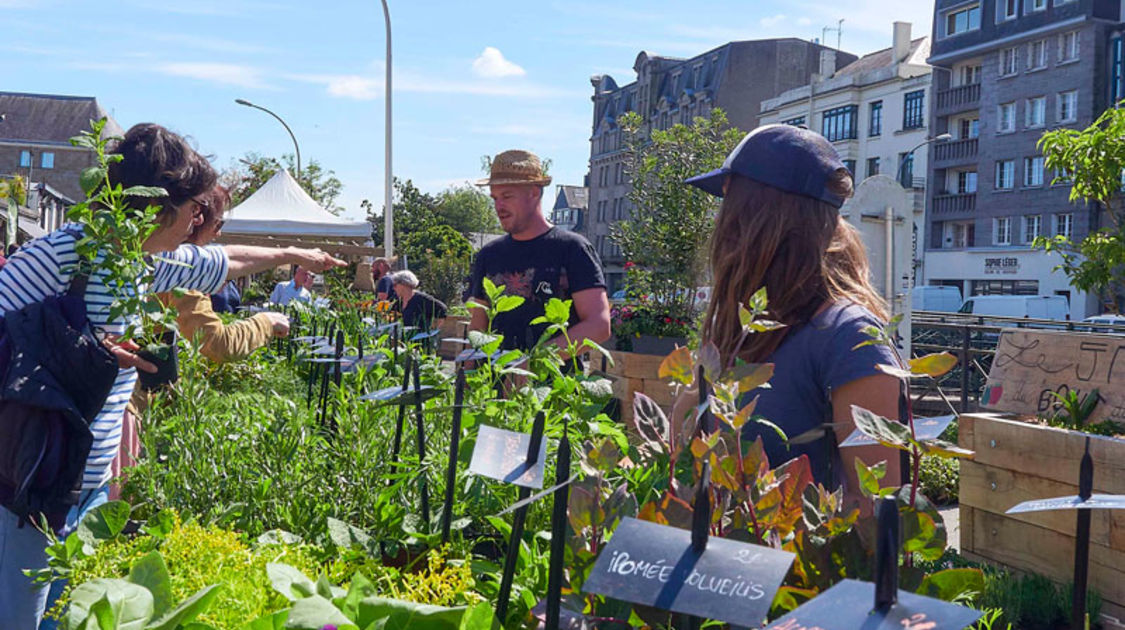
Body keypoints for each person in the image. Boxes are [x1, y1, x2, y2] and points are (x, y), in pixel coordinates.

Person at [0, 122, 345, 628]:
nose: (195, 224)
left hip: (90, 486)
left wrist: (295, 254)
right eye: (192, 211)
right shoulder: (61, 254)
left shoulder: (141, 262)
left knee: (68, 620)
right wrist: (80, 350)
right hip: (33, 483)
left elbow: (225, 259)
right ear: (158, 209)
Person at [681, 123, 901, 501]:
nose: (719, 224)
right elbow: (682, 449)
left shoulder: (850, 337)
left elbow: (878, 513)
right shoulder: (738, 326)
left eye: (728, 203)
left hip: (799, 561)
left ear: (754, 217)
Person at [468, 149, 610, 356]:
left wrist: (534, 362)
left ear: (534, 193)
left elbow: (599, 325)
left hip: (554, 385)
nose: (499, 206)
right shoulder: (488, 254)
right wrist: (465, 378)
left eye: (507, 196)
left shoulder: (572, 249)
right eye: (495, 198)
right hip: (493, 384)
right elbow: (478, 328)